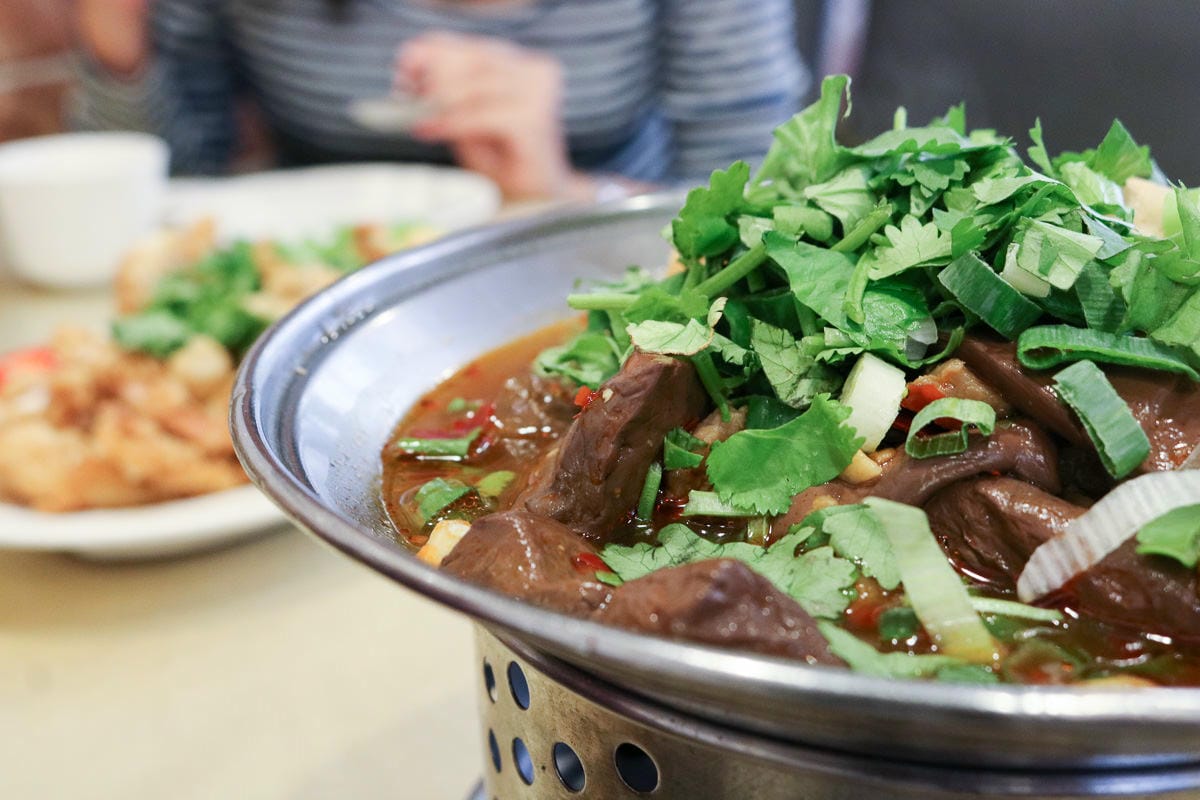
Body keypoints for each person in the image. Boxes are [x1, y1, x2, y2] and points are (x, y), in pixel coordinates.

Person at [74, 0, 809, 200]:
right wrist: (117, 51)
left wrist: (561, 190)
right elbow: (175, 183)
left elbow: (763, 208)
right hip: (311, 305)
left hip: (583, 279)